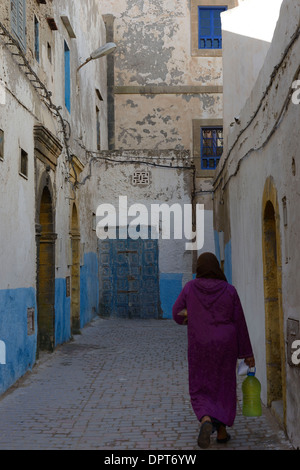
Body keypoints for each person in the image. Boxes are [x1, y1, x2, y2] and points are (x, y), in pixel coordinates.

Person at [172, 252, 255, 449]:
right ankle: (222, 433)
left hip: (200, 345)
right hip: (225, 347)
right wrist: (247, 353)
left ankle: (206, 420)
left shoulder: (190, 288)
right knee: (224, 387)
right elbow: (240, 323)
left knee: (200, 385)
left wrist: (191, 316)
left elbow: (176, 313)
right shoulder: (229, 290)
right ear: (217, 267)